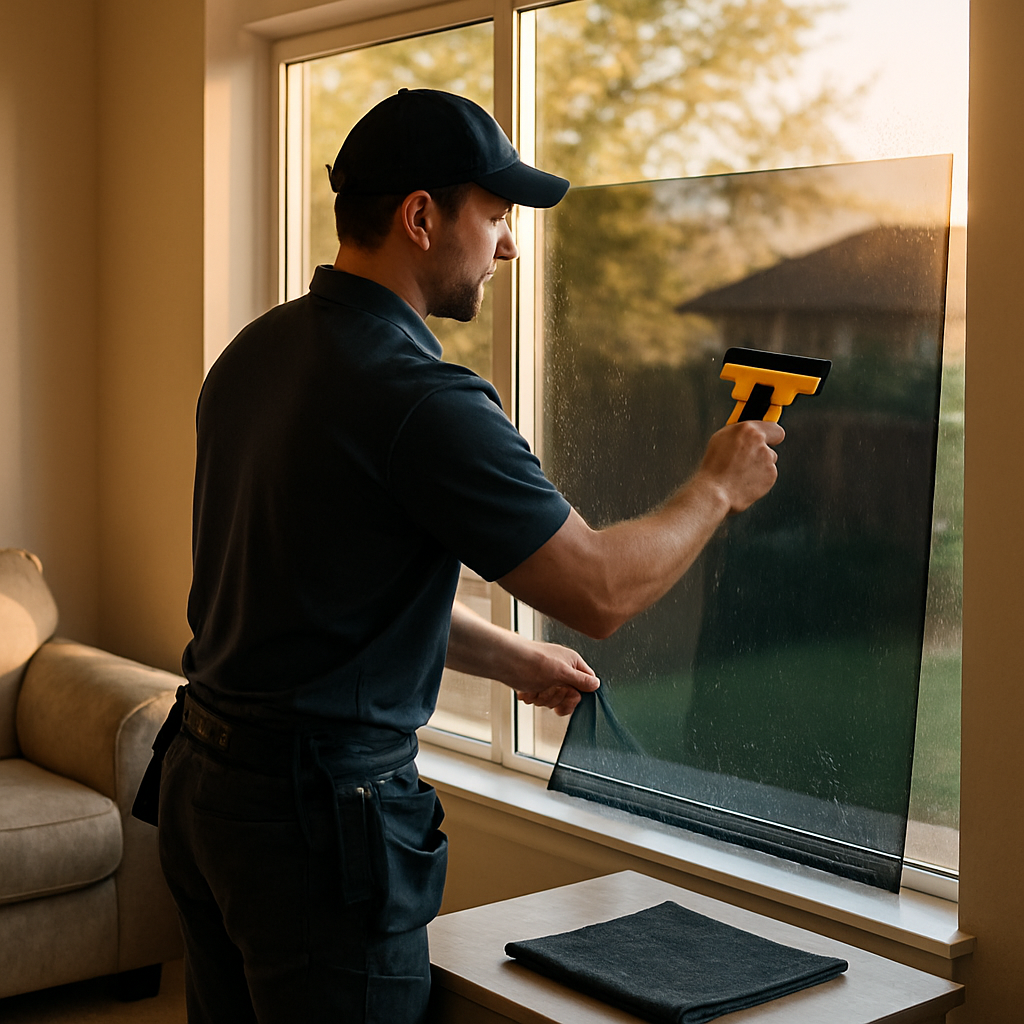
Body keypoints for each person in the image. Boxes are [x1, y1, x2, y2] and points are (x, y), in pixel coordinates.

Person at [152, 89, 783, 1024]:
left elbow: (330, 595)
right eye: (493, 215)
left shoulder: (256, 353)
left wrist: (515, 657)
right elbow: (601, 589)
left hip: (204, 789)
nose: (509, 244)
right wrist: (716, 487)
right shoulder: (421, 398)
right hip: (315, 824)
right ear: (419, 217)